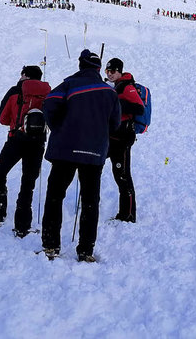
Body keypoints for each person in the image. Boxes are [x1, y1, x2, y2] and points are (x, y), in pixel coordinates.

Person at [40, 49, 121, 262]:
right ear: (97, 68)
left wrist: (59, 128)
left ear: (80, 65)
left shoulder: (68, 85)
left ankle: (50, 245)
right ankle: (85, 250)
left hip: (64, 150)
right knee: (90, 201)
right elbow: (115, 124)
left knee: (55, 196)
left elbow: (49, 104)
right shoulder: (110, 92)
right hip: (94, 153)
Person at [0, 66, 51, 235]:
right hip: (38, 143)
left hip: (16, 139)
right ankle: (22, 225)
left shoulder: (15, 91)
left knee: (0, 173)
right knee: (28, 183)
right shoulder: (48, 93)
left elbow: (2, 118)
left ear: (24, 76)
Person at [104, 57, 144, 222]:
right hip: (112, 137)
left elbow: (139, 108)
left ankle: (128, 214)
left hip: (123, 139)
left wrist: (117, 104)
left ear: (119, 71)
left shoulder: (127, 87)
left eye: (113, 71)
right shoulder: (115, 86)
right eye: (107, 71)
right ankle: (124, 213)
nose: (110, 74)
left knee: (122, 175)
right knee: (114, 172)